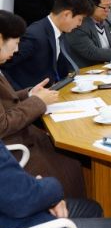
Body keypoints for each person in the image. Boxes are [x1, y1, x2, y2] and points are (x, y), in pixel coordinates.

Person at [0, 10, 85, 198]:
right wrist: (38, 101)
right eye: (15, 43)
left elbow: (6, 99)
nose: (16, 50)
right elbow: (3, 125)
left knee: (70, 156)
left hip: (21, 137)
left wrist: (30, 93)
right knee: (70, 164)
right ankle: (69, 207)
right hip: (12, 150)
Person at [1, 0, 94, 90]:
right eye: (80, 19)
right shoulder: (35, 35)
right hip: (30, 95)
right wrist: (23, 94)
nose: (80, 24)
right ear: (66, 14)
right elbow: (3, 67)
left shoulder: (61, 32)